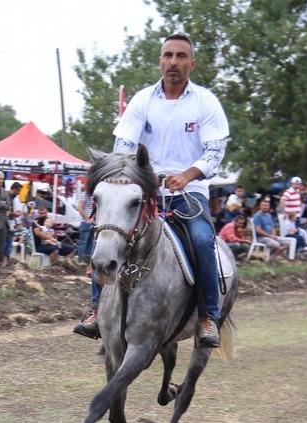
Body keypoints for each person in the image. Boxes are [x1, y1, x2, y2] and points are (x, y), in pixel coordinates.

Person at [74, 33, 231, 348]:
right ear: (160, 60)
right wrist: (140, 174)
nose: (174, 62)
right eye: (168, 55)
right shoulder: (142, 100)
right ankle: (95, 309)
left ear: (192, 63)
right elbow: (124, 146)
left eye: (181, 56)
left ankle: (209, 316)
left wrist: (187, 175)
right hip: (145, 191)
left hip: (190, 191)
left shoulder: (206, 102)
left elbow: (215, 152)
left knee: (202, 240)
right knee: (105, 232)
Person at [75, 182, 95, 263]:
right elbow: (79, 208)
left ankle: (85, 260)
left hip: (90, 221)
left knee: (88, 242)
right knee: (86, 242)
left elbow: (80, 208)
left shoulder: (92, 196)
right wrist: (87, 219)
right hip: (88, 221)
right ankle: (82, 260)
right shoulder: (85, 195)